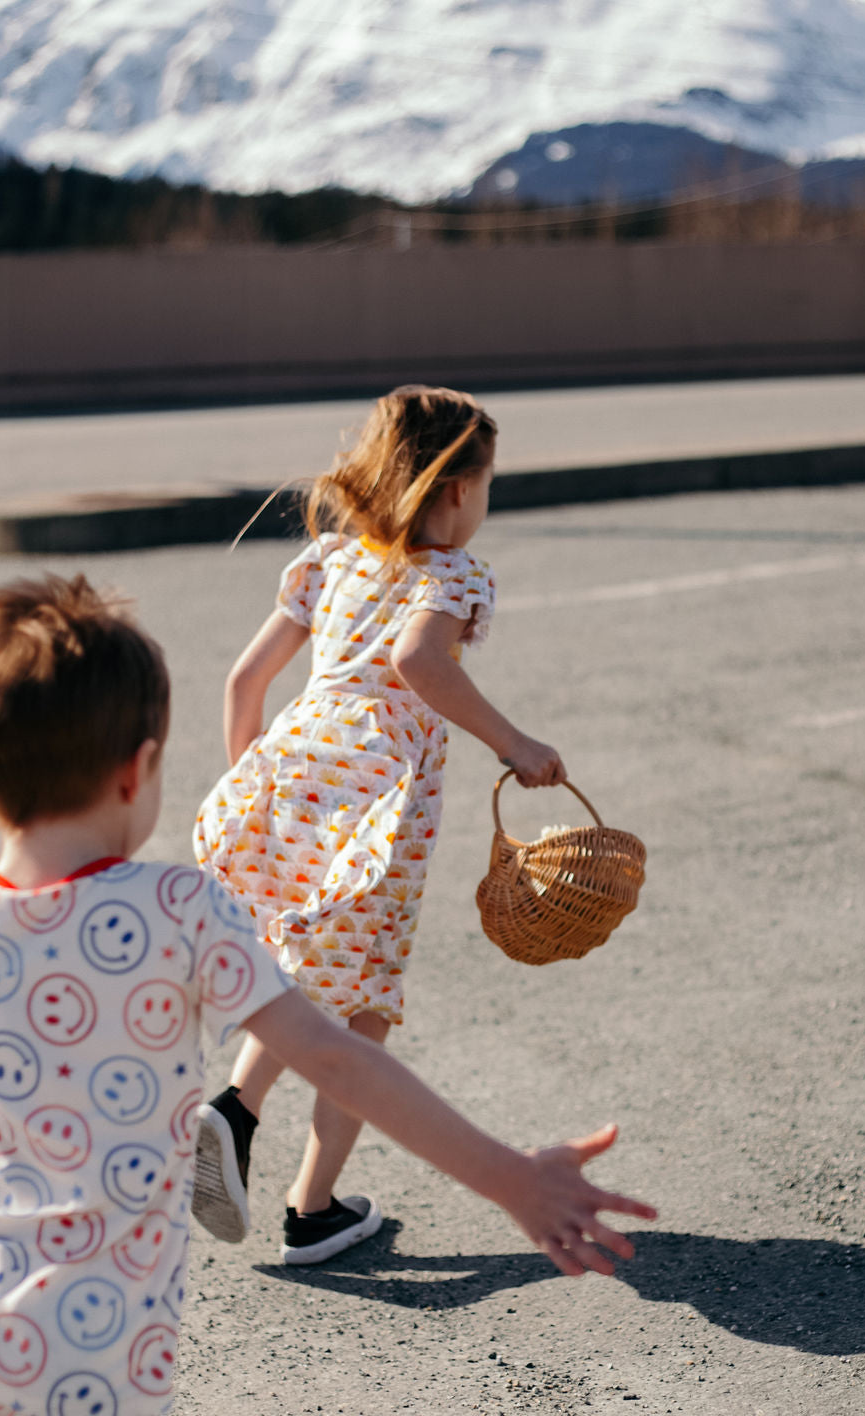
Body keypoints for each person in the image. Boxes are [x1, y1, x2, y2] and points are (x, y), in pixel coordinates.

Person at [0, 574, 656, 1416]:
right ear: (140, 771)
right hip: (98, 1345)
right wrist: (511, 1178)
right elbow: (337, 1056)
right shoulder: (179, 912)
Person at [191, 386, 567, 1264]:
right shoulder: (454, 575)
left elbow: (243, 685)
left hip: (289, 771)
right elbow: (415, 659)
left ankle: (262, 1148)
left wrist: (256, 787)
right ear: (454, 493)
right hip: (380, 802)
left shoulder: (328, 559)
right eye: (485, 486)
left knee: (302, 962)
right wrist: (514, 744)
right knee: (362, 1002)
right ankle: (283, 1172)